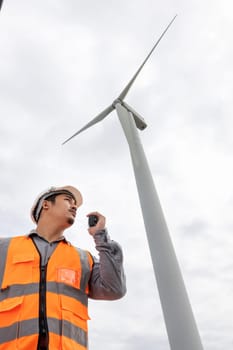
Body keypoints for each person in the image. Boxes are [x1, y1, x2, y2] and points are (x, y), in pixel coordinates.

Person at [0, 185, 126, 350]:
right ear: (46, 205)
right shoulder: (5, 248)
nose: (74, 206)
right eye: (68, 200)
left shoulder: (83, 259)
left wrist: (101, 236)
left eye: (75, 204)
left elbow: (114, 289)